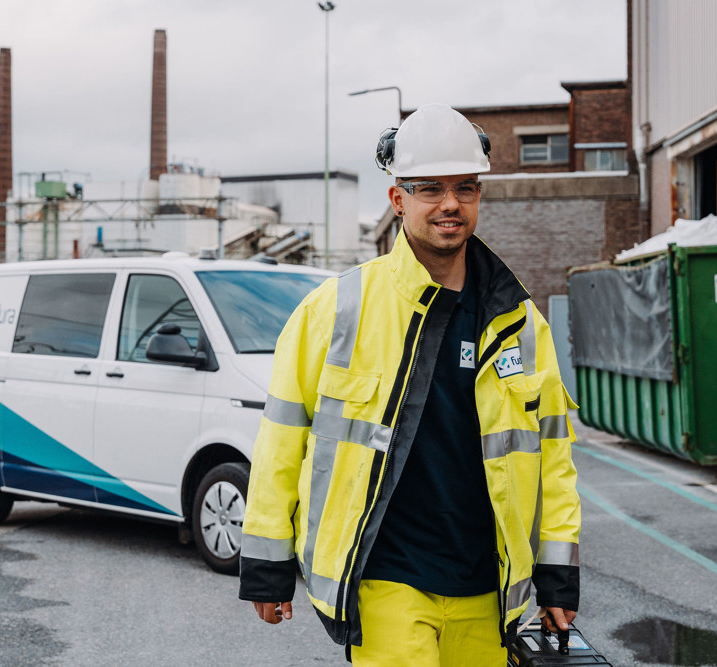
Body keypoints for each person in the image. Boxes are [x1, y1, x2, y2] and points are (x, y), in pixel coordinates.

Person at [238, 103, 581, 665]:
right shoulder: (335, 310)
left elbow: (552, 458)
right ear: (398, 201)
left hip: (488, 592)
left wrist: (557, 577)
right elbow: (282, 440)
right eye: (430, 189)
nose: (450, 203)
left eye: (465, 188)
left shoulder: (519, 321)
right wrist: (268, 567)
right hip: (387, 580)